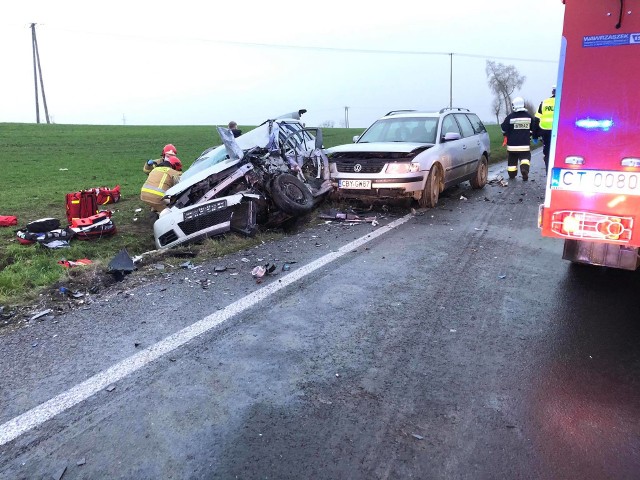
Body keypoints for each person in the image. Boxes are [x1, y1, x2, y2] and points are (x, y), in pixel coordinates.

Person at [501, 97, 540, 181]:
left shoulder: (510, 117)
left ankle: (512, 174)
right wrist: (531, 135)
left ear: (514, 105)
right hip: (524, 145)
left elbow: (503, 128)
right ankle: (524, 169)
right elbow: (534, 129)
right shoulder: (529, 117)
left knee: (512, 161)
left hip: (512, 146)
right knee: (525, 158)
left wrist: (506, 134)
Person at [140, 146, 182, 213]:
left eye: (172, 156)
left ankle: (155, 211)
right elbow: (179, 183)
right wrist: (148, 165)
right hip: (157, 195)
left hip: (143, 193)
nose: (169, 158)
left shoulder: (156, 168)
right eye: (168, 156)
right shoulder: (172, 170)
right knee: (168, 211)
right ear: (163, 154)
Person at [535, 85, 556, 172]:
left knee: (548, 153)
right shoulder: (565, 102)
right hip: (561, 133)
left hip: (546, 133)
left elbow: (536, 119)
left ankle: (549, 172)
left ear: (552, 92)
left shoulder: (544, 103)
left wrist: (535, 135)